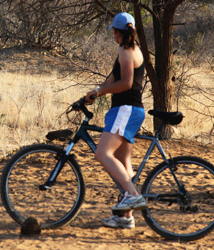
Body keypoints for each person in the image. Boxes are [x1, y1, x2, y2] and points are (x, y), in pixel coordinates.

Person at [85, 12, 147, 229]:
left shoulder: (127, 50)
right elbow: (113, 79)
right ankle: (125, 217)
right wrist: (94, 92)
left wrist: (100, 91)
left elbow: (127, 83)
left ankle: (132, 195)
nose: (112, 33)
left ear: (119, 32)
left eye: (113, 30)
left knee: (102, 154)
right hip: (127, 110)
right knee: (123, 163)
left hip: (126, 109)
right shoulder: (128, 50)